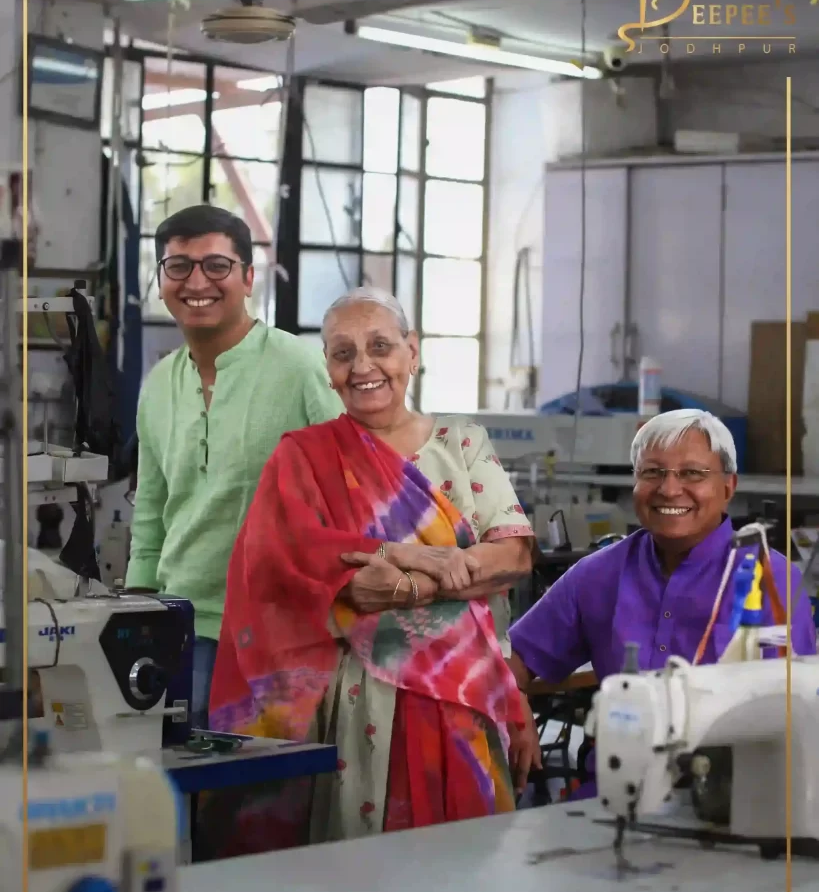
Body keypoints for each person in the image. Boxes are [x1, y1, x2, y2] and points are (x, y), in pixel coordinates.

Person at [200, 287, 541, 857]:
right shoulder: (304, 456)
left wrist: (413, 578)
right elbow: (293, 568)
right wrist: (411, 558)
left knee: (467, 867)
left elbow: (514, 555)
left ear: (412, 352)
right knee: (361, 861)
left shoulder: (463, 442)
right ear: (328, 369)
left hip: (467, 688)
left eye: (380, 346)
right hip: (360, 698)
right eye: (343, 353)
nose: (363, 367)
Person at [508, 408, 817, 797]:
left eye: (692, 474)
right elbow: (513, 660)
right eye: (653, 472)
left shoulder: (768, 580)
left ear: (729, 486)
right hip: (613, 792)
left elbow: (795, 711)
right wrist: (513, 702)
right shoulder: (598, 575)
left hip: (733, 798)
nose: (669, 489)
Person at [124, 205, 343, 728]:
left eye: (217, 266)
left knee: (262, 777)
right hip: (178, 625)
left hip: (276, 634)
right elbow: (152, 511)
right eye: (179, 266)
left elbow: (351, 492)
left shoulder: (299, 368)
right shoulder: (158, 384)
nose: (197, 282)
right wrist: (135, 614)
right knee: (172, 770)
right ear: (161, 282)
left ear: (247, 278)